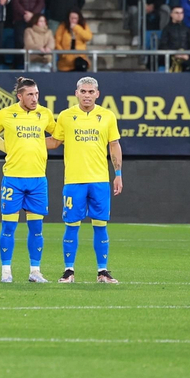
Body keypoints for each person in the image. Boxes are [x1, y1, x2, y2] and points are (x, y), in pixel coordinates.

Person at [47, 75, 123, 284]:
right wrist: (25, 141)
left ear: (97, 94)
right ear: (76, 93)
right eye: (83, 91)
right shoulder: (65, 116)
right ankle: (68, 271)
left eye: (91, 92)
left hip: (99, 180)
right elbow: (55, 142)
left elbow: (114, 145)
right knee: (72, 225)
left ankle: (103, 271)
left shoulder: (107, 116)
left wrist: (118, 174)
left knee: (100, 225)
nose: (87, 95)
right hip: (74, 180)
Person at [0, 77, 56, 284]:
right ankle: (6, 271)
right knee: (9, 227)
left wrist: (38, 144)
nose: (35, 98)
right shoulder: (6, 114)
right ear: (19, 96)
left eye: (36, 94)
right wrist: (8, 147)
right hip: (13, 179)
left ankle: (35, 271)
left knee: (37, 229)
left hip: (37, 179)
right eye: (30, 95)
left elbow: (58, 136)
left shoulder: (45, 114)